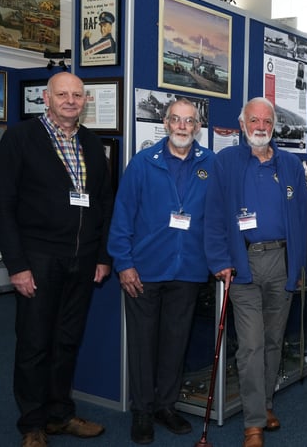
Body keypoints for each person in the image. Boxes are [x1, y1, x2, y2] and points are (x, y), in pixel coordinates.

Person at [0, 72, 113, 447]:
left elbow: (101, 205)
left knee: (66, 341)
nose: (70, 101)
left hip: (81, 261)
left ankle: (59, 415)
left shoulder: (92, 144)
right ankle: (31, 423)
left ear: (85, 101)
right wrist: (16, 264)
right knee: (34, 344)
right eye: (62, 94)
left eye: (77, 95)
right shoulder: (19, 139)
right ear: (45, 99)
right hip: (37, 259)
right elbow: (4, 205)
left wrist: (100, 256)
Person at [107, 98, 214, 444]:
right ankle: (142, 410)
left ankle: (166, 405)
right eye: (176, 120)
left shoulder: (210, 164)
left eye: (189, 121)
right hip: (145, 271)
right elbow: (121, 218)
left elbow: (218, 219)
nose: (183, 126)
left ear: (198, 127)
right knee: (142, 344)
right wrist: (124, 264)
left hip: (188, 270)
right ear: (165, 123)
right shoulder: (142, 164)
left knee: (175, 341)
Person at [204, 97, 307, 447]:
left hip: (282, 263)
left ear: (273, 125)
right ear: (242, 124)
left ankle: (264, 405)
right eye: (254, 120)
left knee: (274, 341)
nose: (260, 126)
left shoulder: (291, 164)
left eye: (266, 120)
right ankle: (253, 423)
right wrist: (219, 260)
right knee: (250, 345)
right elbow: (215, 213)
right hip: (242, 263)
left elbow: (301, 219)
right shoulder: (226, 162)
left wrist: (299, 265)